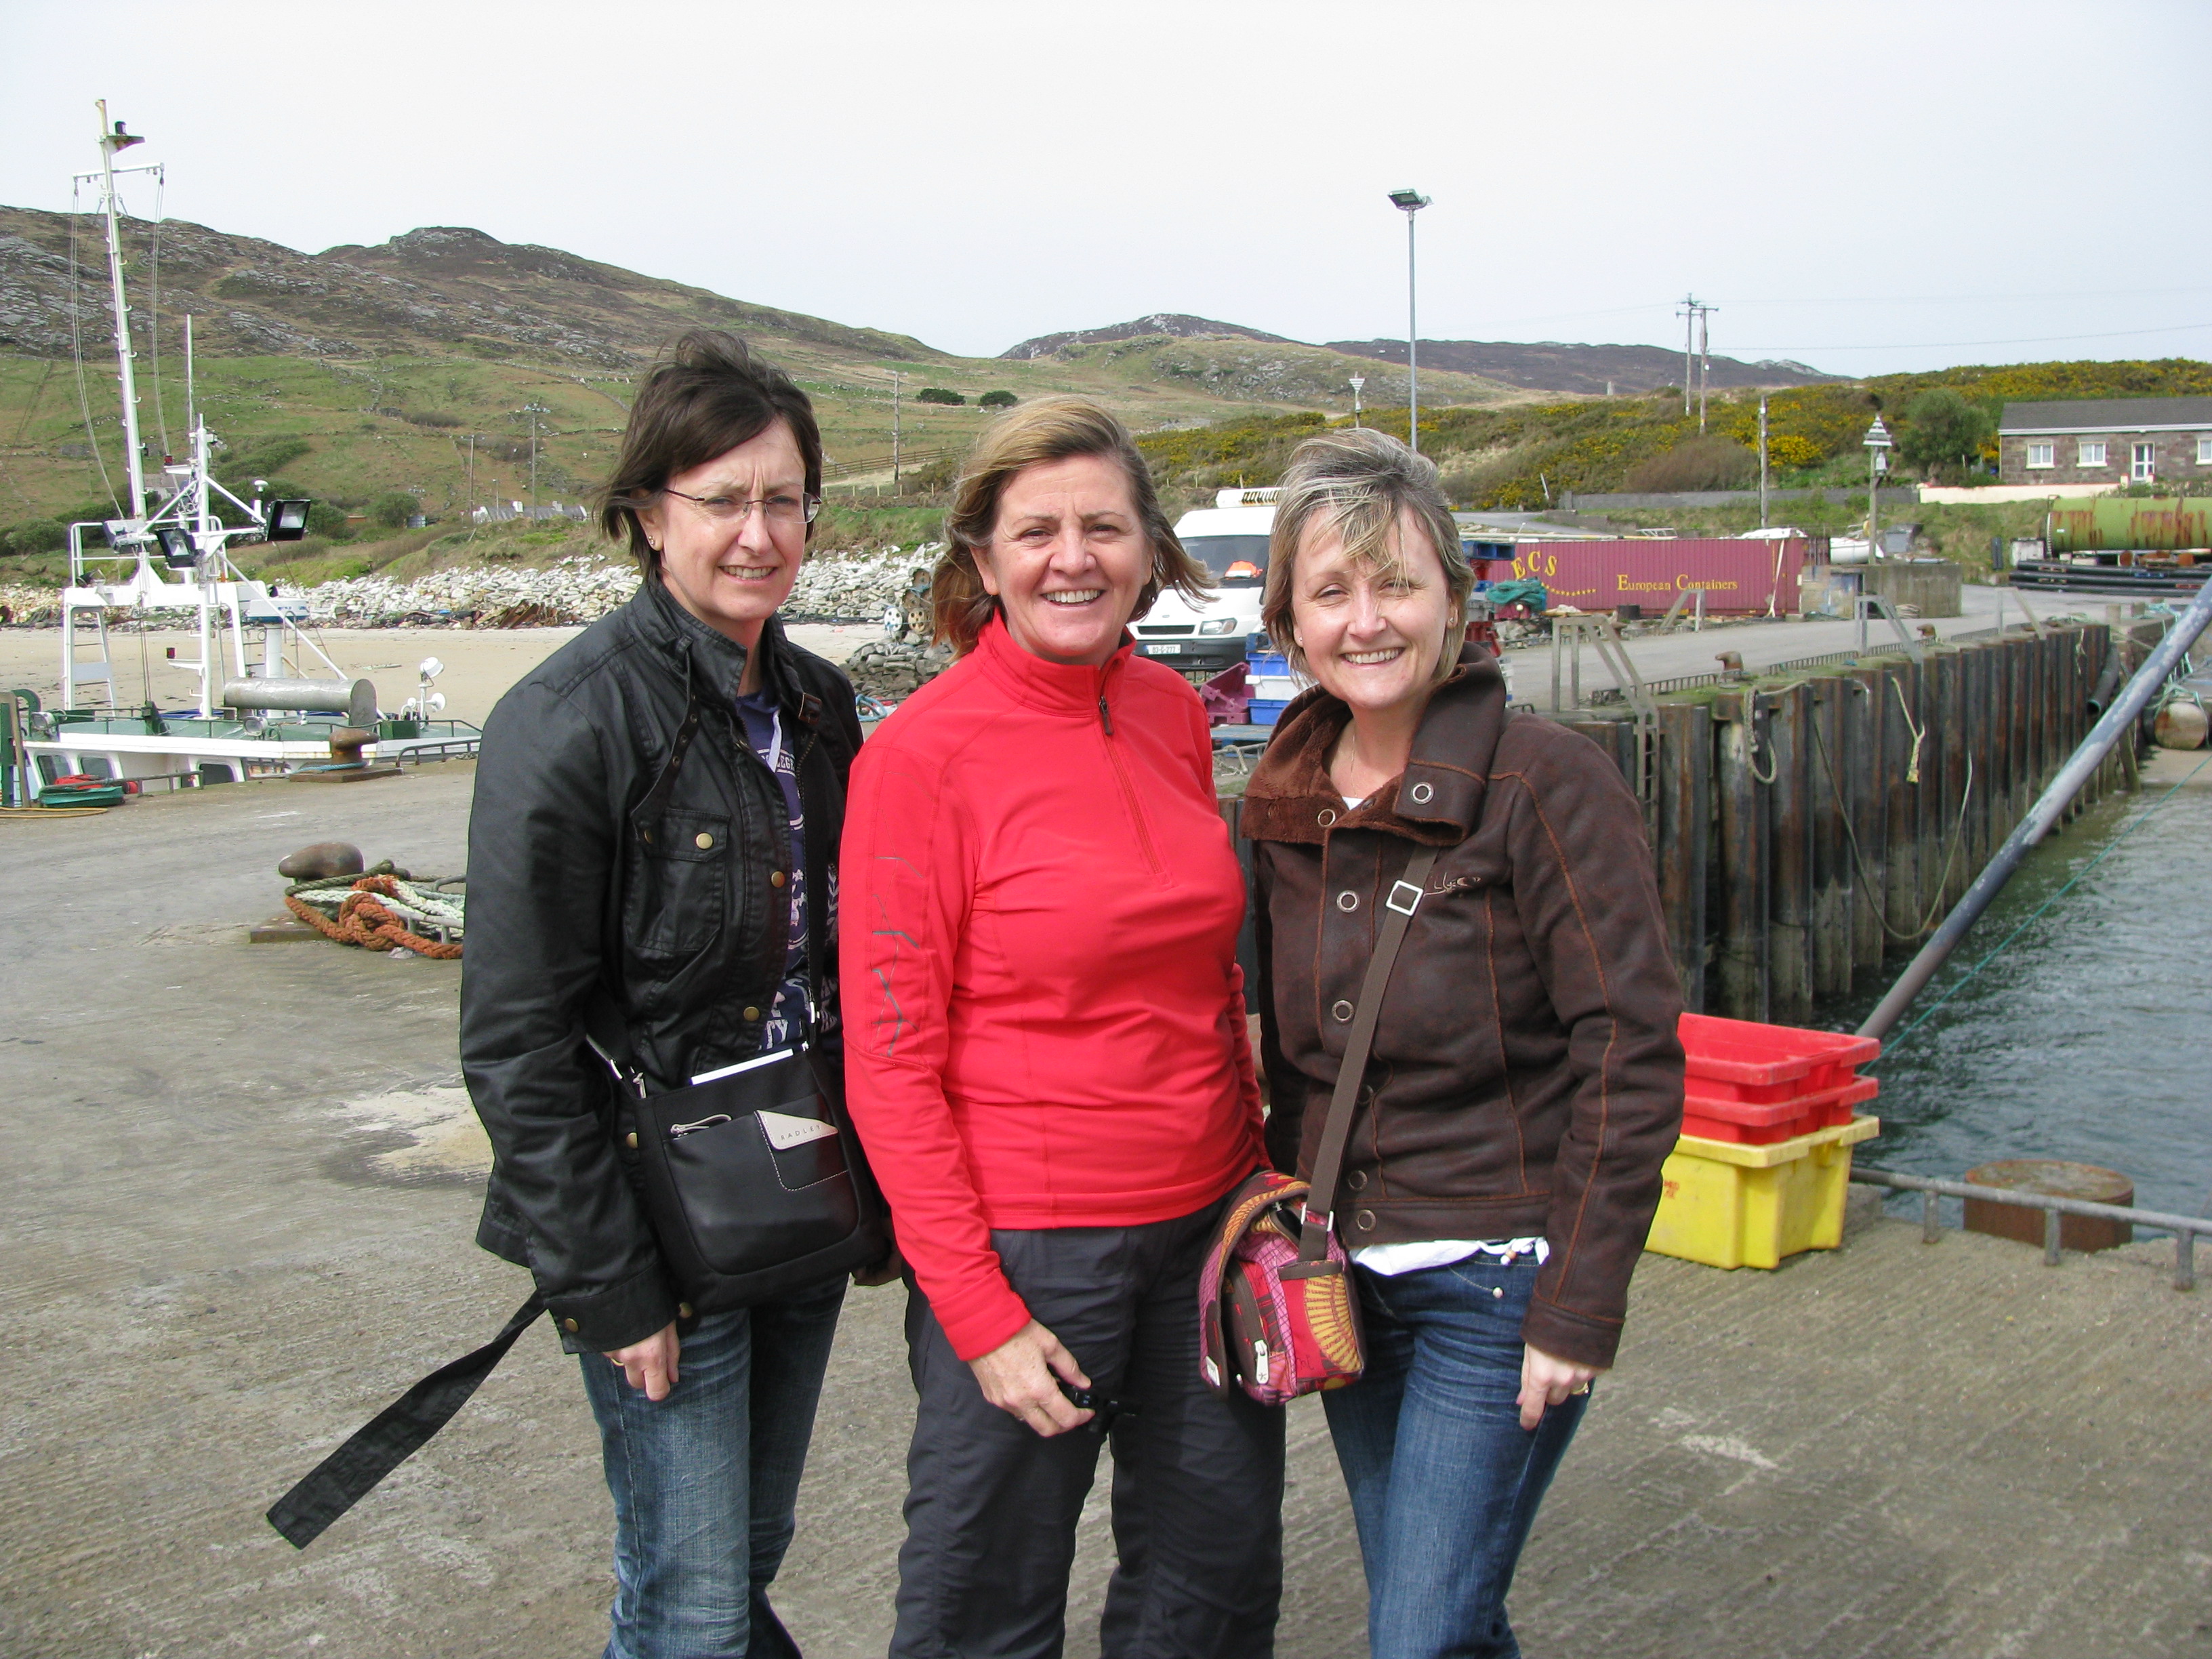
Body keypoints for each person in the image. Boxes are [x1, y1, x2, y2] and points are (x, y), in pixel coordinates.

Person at [839, 395, 1284, 1659]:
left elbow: (1206, 978)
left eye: (1103, 525)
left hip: (1205, 1233)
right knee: (984, 1606)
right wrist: (974, 1310)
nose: (1071, 557)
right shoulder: (921, 760)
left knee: (1212, 1592)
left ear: (1151, 549)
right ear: (983, 563)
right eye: (1035, 531)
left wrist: (1255, 1180)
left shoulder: (1168, 714)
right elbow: (889, 1059)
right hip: (1035, 1252)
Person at [1241, 428, 1684, 1659]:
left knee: (1420, 1632)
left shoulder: (1547, 782)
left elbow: (1628, 1049)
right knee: (1443, 1617)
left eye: (1397, 584)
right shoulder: (1278, 810)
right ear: (1289, 622)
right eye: (1331, 591)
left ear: (1457, 598)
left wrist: (1577, 1307)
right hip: (1345, 1281)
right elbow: (1279, 1059)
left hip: (1500, 1278)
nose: (1366, 620)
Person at [461, 330, 866, 1659]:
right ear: (649, 516)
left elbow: (842, 965)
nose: (760, 532)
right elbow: (517, 1040)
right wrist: (610, 1284)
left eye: (785, 498)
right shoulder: (569, 719)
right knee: (689, 1600)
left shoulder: (817, 705)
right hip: (656, 1227)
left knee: (746, 1558)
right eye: (723, 499)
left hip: (794, 1187)